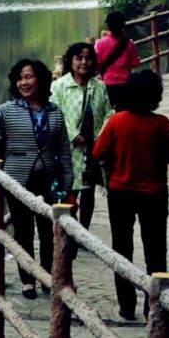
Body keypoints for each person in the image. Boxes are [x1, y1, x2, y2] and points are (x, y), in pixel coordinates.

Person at [0, 59, 73, 298]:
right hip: (18, 180)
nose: (23, 82)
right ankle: (27, 280)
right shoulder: (9, 109)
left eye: (28, 77)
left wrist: (68, 186)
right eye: (19, 78)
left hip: (49, 180)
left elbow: (64, 153)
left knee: (48, 232)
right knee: (24, 231)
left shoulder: (55, 113)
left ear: (40, 79)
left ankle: (47, 277)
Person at [90, 68, 169, 321]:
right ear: (156, 95)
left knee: (121, 248)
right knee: (156, 250)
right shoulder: (162, 124)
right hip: (154, 194)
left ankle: (126, 305)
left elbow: (98, 152)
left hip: (120, 192)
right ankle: (155, 304)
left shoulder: (117, 121)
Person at [51, 42, 112, 227]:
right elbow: (54, 112)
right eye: (79, 58)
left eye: (88, 58)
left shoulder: (100, 86)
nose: (84, 62)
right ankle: (70, 227)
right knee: (69, 189)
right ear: (71, 61)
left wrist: (102, 134)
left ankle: (84, 229)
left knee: (89, 190)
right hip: (69, 149)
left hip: (94, 148)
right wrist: (73, 134)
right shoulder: (59, 87)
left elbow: (109, 112)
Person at [95, 12, 143, 110]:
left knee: (108, 112)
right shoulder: (128, 44)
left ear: (108, 26)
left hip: (107, 83)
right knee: (123, 112)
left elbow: (97, 63)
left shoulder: (100, 44)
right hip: (125, 83)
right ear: (123, 25)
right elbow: (135, 63)